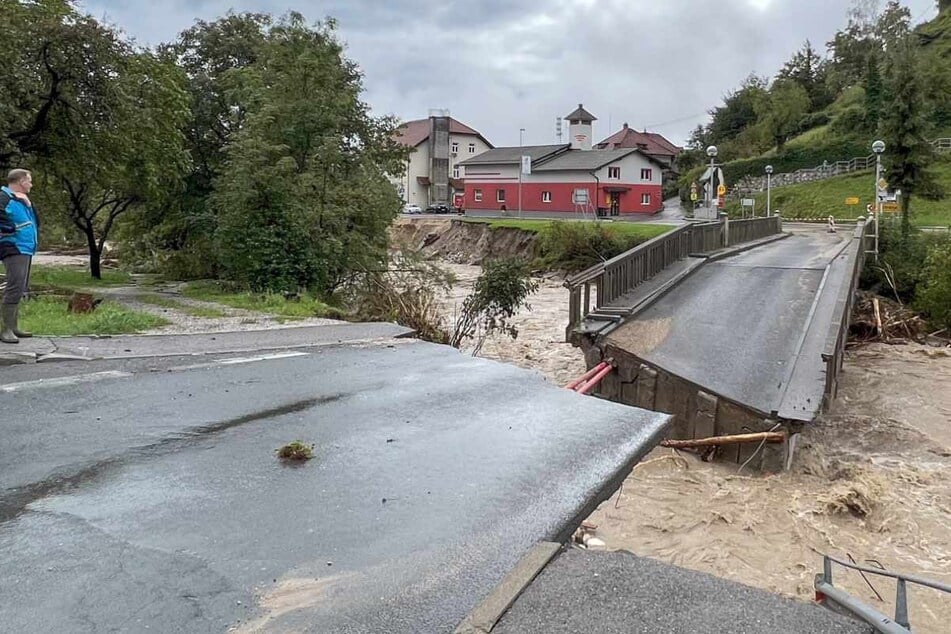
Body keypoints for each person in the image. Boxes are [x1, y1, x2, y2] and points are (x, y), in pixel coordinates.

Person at [0, 169, 39, 344]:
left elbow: (36, 221)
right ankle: (6, 329)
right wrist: (10, 229)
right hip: (13, 246)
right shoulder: (4, 196)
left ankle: (13, 326)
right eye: (29, 181)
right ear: (21, 181)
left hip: (25, 247)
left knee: (21, 285)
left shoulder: (20, 199)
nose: (31, 184)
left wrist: (29, 205)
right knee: (14, 285)